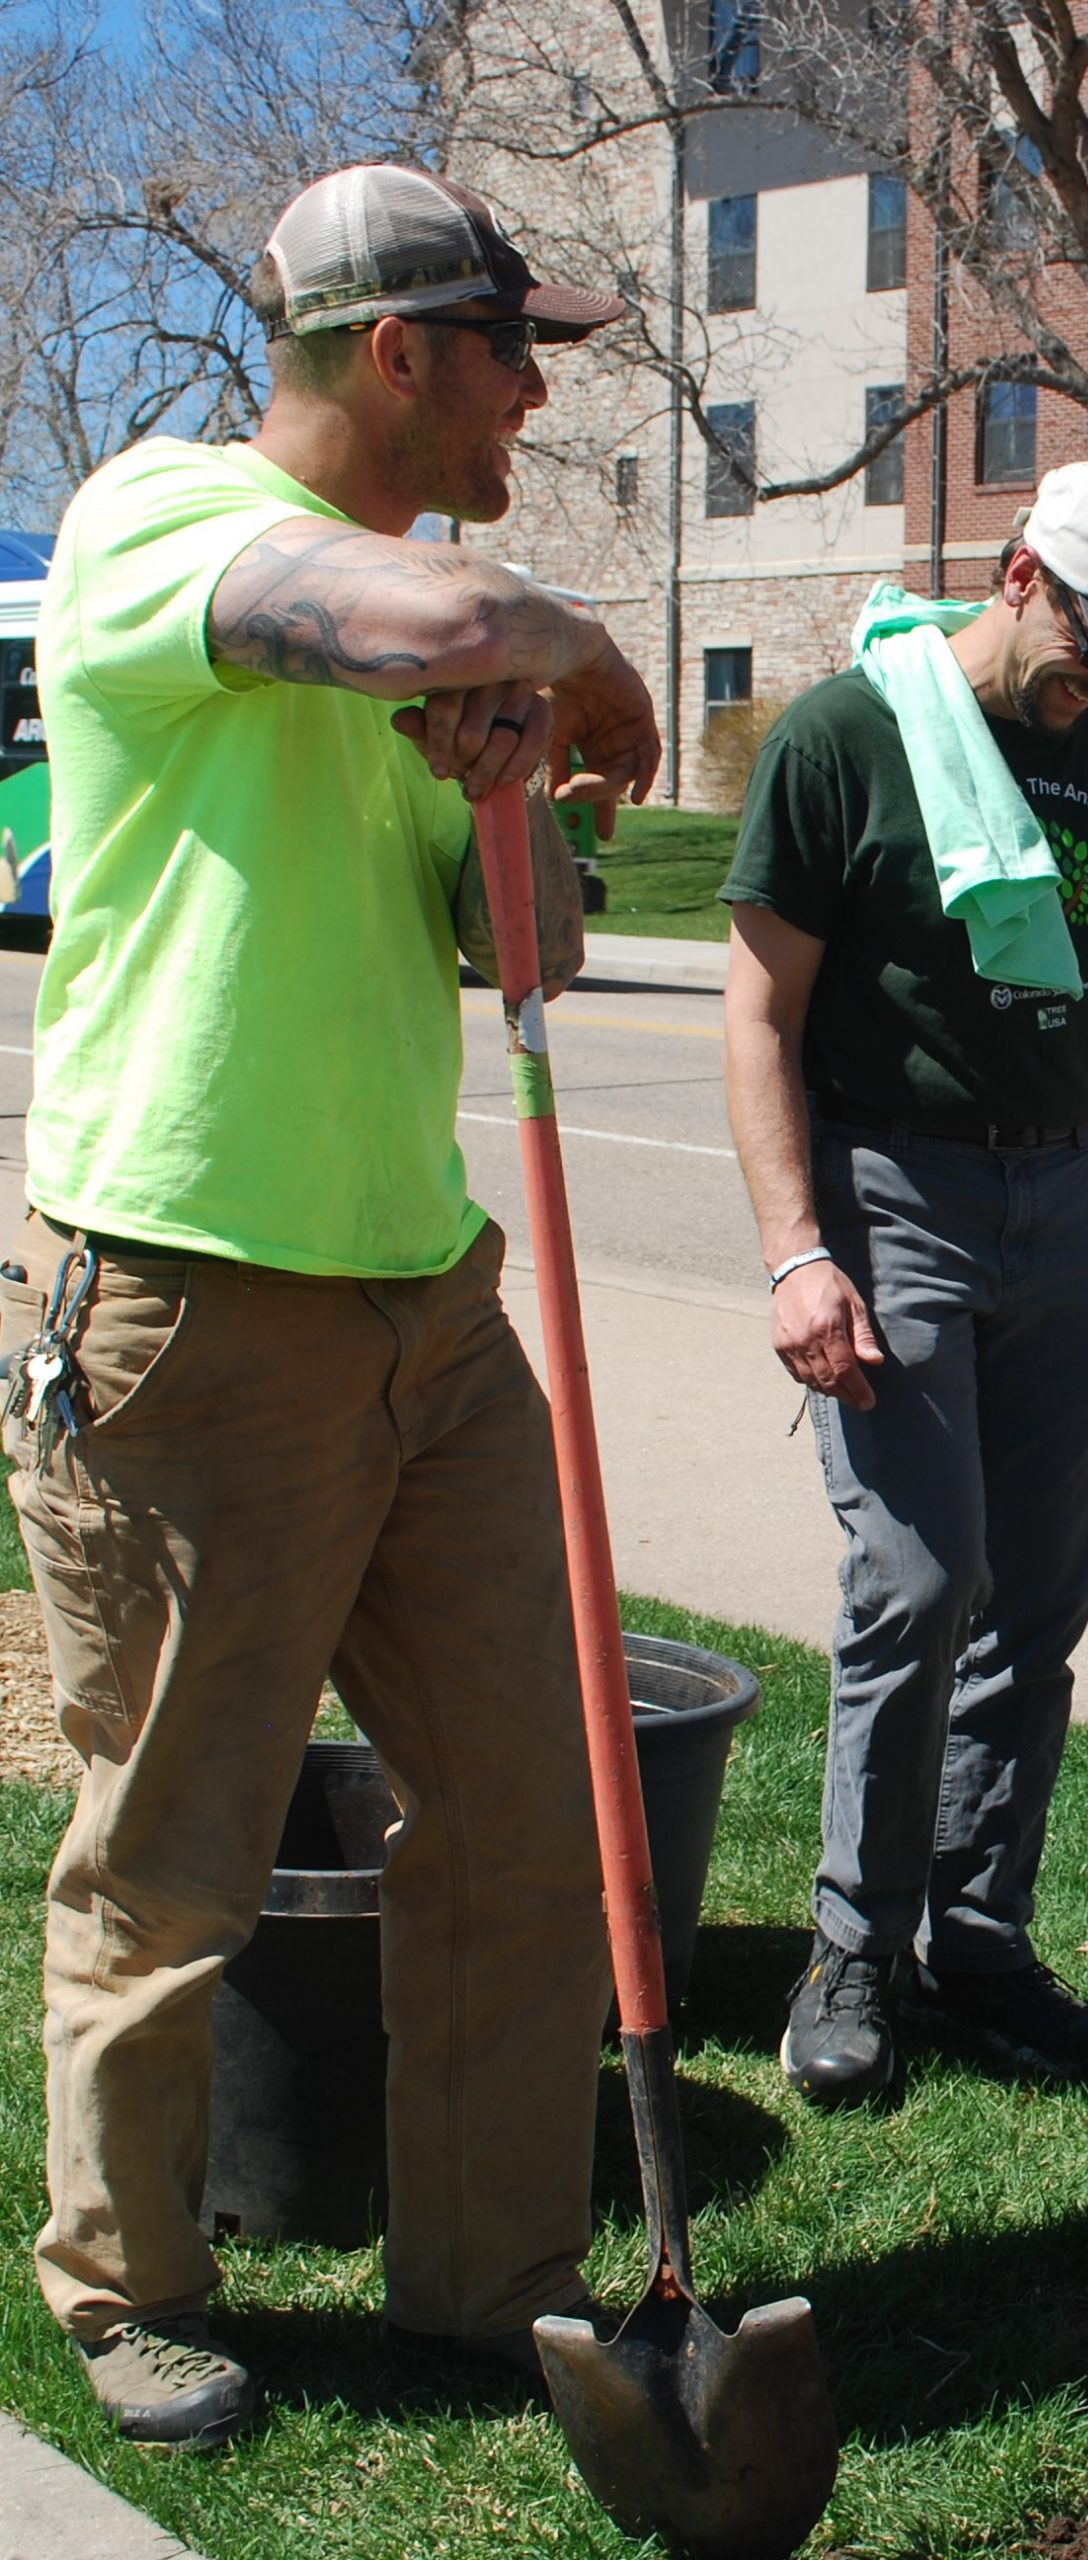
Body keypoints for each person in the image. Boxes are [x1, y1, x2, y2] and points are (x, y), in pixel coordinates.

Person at [22, 164, 660, 2447]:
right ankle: (125, 2278)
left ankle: (496, 2277)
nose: (532, 396)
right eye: (514, 352)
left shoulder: (424, 633)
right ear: (400, 354)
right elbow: (396, 621)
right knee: (180, 1823)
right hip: (198, 1300)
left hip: (427, 1297)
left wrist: (522, 806)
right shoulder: (162, 524)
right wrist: (550, 648)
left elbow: (528, 957)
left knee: (519, 1793)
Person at [722, 458, 1088, 2107]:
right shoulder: (844, 740)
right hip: (893, 1193)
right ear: (1018, 576)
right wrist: (799, 1253)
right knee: (920, 1582)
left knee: (1039, 1602)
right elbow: (755, 1019)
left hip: (1062, 1202)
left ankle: (981, 1940)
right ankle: (855, 1951)